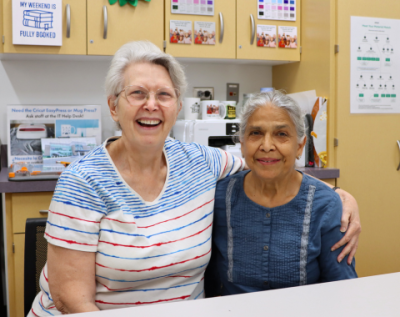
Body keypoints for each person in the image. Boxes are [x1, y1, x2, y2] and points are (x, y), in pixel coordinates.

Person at [28, 41, 360, 316]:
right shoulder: (82, 181)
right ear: (114, 107)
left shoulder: (200, 162)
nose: (151, 105)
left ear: (177, 107)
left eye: (164, 95)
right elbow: (71, 300)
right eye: (138, 94)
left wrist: (338, 196)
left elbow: (266, 163)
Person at [205, 91, 357, 297]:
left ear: (300, 146)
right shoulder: (219, 197)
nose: (267, 146)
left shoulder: (326, 205)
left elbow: (343, 288)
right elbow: (209, 280)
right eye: (256, 133)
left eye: (281, 134)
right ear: (242, 144)